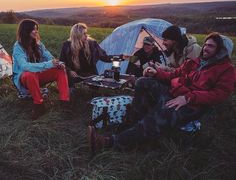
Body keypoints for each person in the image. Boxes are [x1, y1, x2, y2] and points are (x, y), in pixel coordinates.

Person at [88, 32, 235, 153]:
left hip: (192, 104)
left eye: (211, 46)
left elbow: (220, 94)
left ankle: (109, 142)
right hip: (174, 92)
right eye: (205, 45)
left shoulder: (226, 70)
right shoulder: (194, 62)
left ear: (221, 50)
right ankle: (134, 122)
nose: (205, 48)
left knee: (160, 114)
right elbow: (174, 75)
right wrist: (155, 73)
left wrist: (188, 98)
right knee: (142, 82)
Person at [12, 19, 70, 120]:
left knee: (60, 69)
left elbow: (50, 58)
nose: (36, 31)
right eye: (33, 29)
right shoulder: (18, 47)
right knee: (30, 74)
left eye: (36, 29)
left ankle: (64, 102)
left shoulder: (38, 44)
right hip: (25, 79)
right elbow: (25, 66)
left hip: (38, 76)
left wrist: (58, 63)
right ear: (25, 30)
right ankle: (39, 105)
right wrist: (47, 64)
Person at [59, 23, 125, 87]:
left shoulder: (92, 44)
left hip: (89, 73)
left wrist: (121, 57)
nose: (86, 35)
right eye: (84, 34)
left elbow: (105, 57)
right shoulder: (67, 45)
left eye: (86, 33)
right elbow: (61, 62)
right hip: (75, 73)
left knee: (95, 84)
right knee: (70, 79)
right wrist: (69, 71)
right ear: (77, 35)